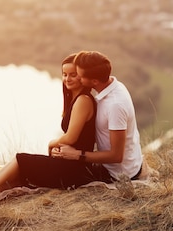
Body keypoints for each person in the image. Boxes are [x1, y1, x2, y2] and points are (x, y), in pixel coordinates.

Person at [0, 53, 111, 202]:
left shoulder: (83, 100)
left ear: (82, 76)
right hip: (69, 163)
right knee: (20, 175)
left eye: (73, 75)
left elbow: (71, 137)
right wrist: (59, 150)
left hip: (75, 170)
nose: (67, 79)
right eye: (64, 74)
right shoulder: (75, 99)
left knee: (20, 159)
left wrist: (52, 144)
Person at [53, 50, 143, 181]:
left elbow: (116, 156)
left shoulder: (115, 105)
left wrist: (78, 155)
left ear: (94, 81)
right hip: (124, 164)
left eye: (79, 75)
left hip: (119, 174)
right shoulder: (114, 85)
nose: (77, 77)